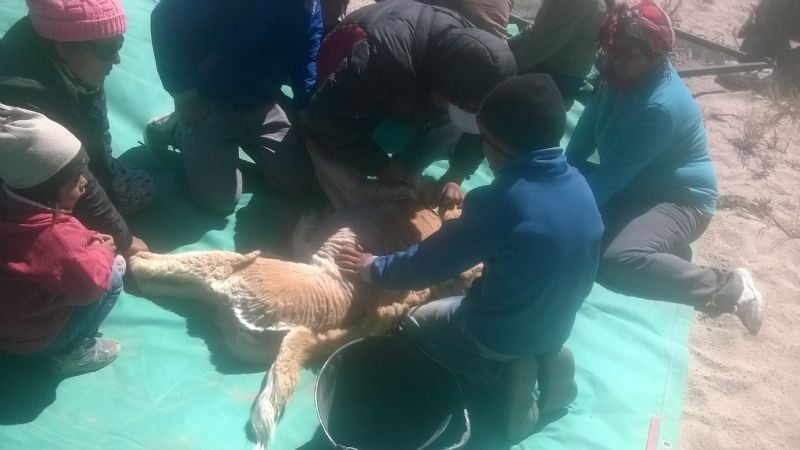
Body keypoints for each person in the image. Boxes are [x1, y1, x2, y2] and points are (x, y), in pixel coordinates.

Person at [336, 74, 604, 442]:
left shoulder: (500, 203)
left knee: (415, 324)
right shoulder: (579, 185)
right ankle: (552, 366)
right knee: (530, 314)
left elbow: (430, 263)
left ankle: (501, 377)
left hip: (499, 333)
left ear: (498, 148)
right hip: (557, 323)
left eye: (484, 141)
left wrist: (374, 269)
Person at [566, 1, 766, 334]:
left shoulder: (658, 108)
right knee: (550, 180)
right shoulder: (617, 78)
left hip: (682, 201)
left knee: (614, 262)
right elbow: (580, 143)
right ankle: (660, 246)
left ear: (655, 55)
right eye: (611, 49)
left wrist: (551, 216)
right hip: (637, 188)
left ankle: (728, 287)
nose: (613, 58)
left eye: (626, 54)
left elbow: (609, 180)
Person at [307, 0, 516, 211]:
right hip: (345, 63)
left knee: (446, 130)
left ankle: (402, 165)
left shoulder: (474, 64)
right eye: (457, 106)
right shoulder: (386, 56)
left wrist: (457, 173)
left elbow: (480, 126)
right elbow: (325, 116)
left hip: (411, 83)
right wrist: (380, 165)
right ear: (441, 89)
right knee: (312, 161)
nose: (462, 114)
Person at [0, 0, 155, 258]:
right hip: (34, 181)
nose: (117, 58)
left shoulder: (72, 56)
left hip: (65, 161)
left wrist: (103, 167)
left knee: (139, 187)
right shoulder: (21, 95)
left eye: (119, 43)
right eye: (108, 49)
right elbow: (67, 171)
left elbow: (98, 119)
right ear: (63, 46)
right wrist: (123, 238)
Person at [145, 0, 323, 214]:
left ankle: (230, 139)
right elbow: (165, 20)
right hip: (211, 100)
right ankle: (175, 127)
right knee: (219, 200)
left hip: (264, 101)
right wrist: (185, 98)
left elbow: (308, 55)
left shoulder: (309, 5)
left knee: (299, 182)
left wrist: (305, 105)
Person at [0, 104, 124, 375]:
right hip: (33, 340)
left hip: (7, 325)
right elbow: (89, 287)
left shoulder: (14, 206)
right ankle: (72, 351)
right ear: (45, 192)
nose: (84, 183)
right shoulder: (55, 236)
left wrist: (86, 241)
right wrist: (102, 252)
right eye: (72, 181)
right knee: (112, 277)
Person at [508, 0, 612, 105]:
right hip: (551, 61)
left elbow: (539, 47)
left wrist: (503, 68)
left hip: (557, 76)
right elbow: (538, 31)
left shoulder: (579, 3)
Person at [738, 0, 800, 81]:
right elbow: (769, 16)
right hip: (765, 27)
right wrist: (784, 54)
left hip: (786, 28)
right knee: (747, 68)